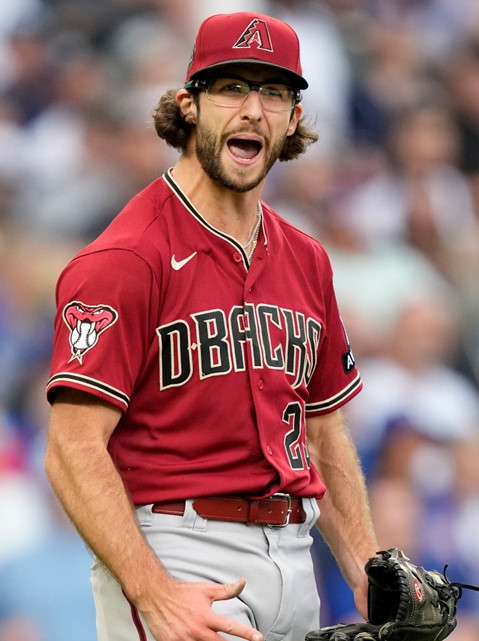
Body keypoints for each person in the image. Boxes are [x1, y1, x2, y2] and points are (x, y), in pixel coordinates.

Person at [43, 11, 377, 641]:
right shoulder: (127, 258)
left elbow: (323, 425)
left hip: (294, 555)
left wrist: (363, 566)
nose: (253, 109)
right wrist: (152, 592)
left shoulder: (307, 259)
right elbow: (71, 449)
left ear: (295, 119)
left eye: (274, 92)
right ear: (188, 106)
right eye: (231, 88)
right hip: (179, 548)